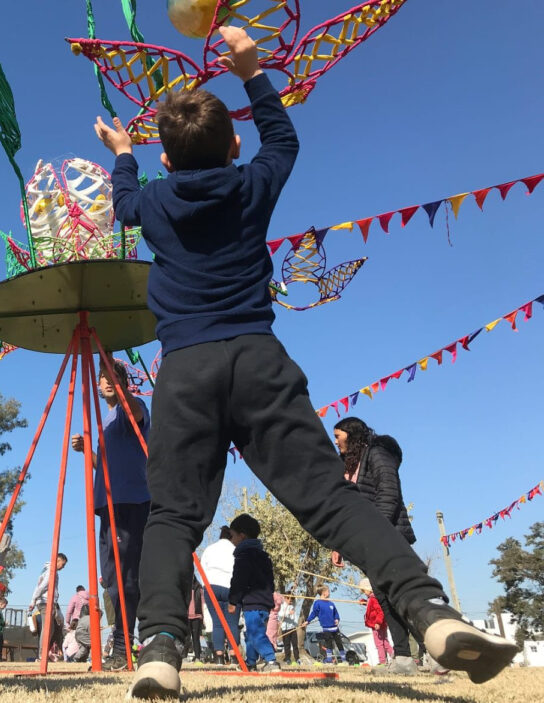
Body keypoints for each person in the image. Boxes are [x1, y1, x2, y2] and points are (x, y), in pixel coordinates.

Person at [93, 24, 518, 699]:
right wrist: (251, 70)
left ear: (165, 164)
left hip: (186, 370)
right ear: (233, 148)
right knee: (327, 498)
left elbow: (121, 199)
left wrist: (121, 152)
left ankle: (160, 649)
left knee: (174, 515)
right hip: (259, 360)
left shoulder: (151, 203)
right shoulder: (250, 184)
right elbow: (283, 140)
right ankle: (430, 611)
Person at [70, 359, 150, 671]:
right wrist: (86, 452)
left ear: (122, 382)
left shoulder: (133, 407)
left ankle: (125, 645)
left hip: (131, 501)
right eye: (102, 377)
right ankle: (126, 642)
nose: (104, 382)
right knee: (112, 579)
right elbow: (103, 464)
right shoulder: (106, 419)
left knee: (126, 576)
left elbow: (138, 415)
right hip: (108, 503)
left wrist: (120, 383)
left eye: (110, 377)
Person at [332, 417, 418, 675]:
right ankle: (403, 657)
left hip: (389, 535)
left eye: (339, 436)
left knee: (404, 594)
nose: (335, 441)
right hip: (366, 541)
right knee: (383, 597)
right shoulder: (347, 465)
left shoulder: (377, 455)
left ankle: (436, 651)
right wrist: (339, 544)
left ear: (353, 435)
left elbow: (389, 494)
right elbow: (344, 507)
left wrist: (376, 532)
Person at [226, 514, 280, 673]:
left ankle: (271, 660)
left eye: (232, 535)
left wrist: (233, 600)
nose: (231, 539)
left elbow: (239, 580)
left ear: (241, 536)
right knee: (251, 633)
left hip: (252, 602)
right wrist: (270, 599)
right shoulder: (263, 556)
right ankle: (250, 663)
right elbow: (270, 580)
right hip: (263, 602)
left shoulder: (243, 556)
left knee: (255, 633)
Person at [200, 526, 240, 664]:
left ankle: (219, 657)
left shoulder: (209, 549)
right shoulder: (236, 549)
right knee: (232, 623)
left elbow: (202, 569)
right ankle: (234, 657)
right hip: (231, 587)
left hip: (212, 587)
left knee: (217, 623)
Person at [27, 553, 68, 660]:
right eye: (62, 565)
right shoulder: (51, 571)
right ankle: (42, 654)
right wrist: (33, 600)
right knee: (47, 629)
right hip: (46, 602)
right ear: (58, 560)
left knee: (51, 629)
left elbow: (39, 587)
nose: (63, 568)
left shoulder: (46, 570)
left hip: (46, 601)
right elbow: (43, 586)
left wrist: (34, 600)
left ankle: (44, 652)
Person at [306, 585, 347, 664]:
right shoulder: (317, 603)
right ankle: (329, 660)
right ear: (324, 593)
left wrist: (337, 619)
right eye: (328, 591)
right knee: (329, 644)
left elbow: (336, 613)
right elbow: (314, 613)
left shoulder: (331, 603)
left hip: (335, 628)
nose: (329, 592)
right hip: (326, 628)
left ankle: (344, 660)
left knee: (339, 643)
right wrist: (308, 621)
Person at [360, 578, 393, 666]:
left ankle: (382, 661)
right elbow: (372, 607)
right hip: (381, 624)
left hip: (376, 624)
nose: (363, 592)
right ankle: (394, 656)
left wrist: (377, 622)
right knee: (385, 642)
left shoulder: (374, 599)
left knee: (379, 643)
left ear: (368, 588)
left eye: (364, 590)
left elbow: (380, 611)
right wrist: (364, 602)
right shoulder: (374, 598)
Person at [278, 595, 300, 665]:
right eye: (289, 599)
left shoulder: (293, 604)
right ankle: (287, 658)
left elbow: (296, 599)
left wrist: (295, 588)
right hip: (285, 628)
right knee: (286, 644)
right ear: (285, 598)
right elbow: (280, 614)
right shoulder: (282, 605)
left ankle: (297, 658)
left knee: (295, 644)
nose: (291, 601)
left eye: (292, 600)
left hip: (292, 627)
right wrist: (288, 613)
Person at [185, 576, 203, 662]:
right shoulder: (184, 587)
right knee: (186, 637)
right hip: (186, 616)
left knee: (196, 638)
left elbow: (203, 603)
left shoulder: (199, 588)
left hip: (197, 616)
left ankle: (197, 657)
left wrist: (203, 617)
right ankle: (183, 656)